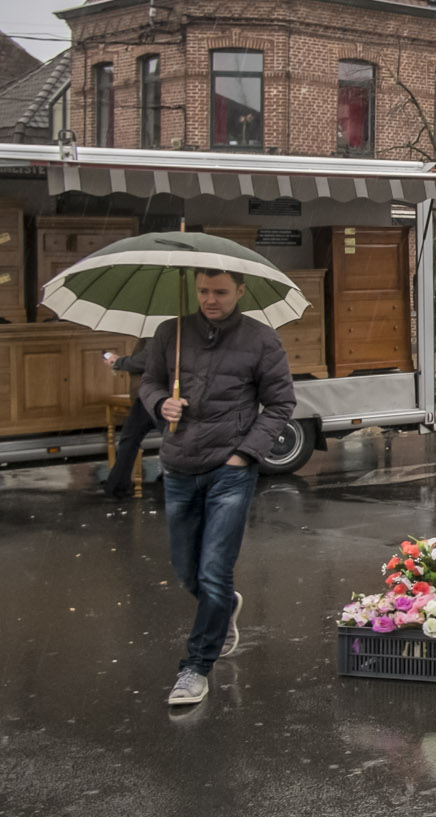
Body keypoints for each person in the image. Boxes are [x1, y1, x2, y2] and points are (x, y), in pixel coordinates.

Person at [141, 269, 295, 706]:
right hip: (178, 466)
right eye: (205, 291)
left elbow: (281, 402)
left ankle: (195, 667)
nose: (211, 299)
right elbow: (148, 383)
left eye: (221, 292)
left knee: (213, 571)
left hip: (230, 469)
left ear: (240, 291)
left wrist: (245, 454)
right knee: (186, 570)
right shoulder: (169, 332)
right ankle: (223, 605)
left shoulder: (261, 340)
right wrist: (159, 402)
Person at [103, 339, 153, 499]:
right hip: (157, 394)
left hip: (149, 395)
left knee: (130, 440)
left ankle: (116, 487)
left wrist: (118, 362)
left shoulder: (158, 329)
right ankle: (117, 485)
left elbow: (146, 360)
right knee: (174, 440)